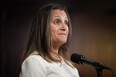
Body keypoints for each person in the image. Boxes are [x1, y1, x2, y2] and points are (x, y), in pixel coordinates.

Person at [19, 3, 80, 77]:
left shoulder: (69, 65)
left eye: (66, 22)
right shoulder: (34, 61)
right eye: (57, 21)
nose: (64, 28)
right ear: (43, 27)